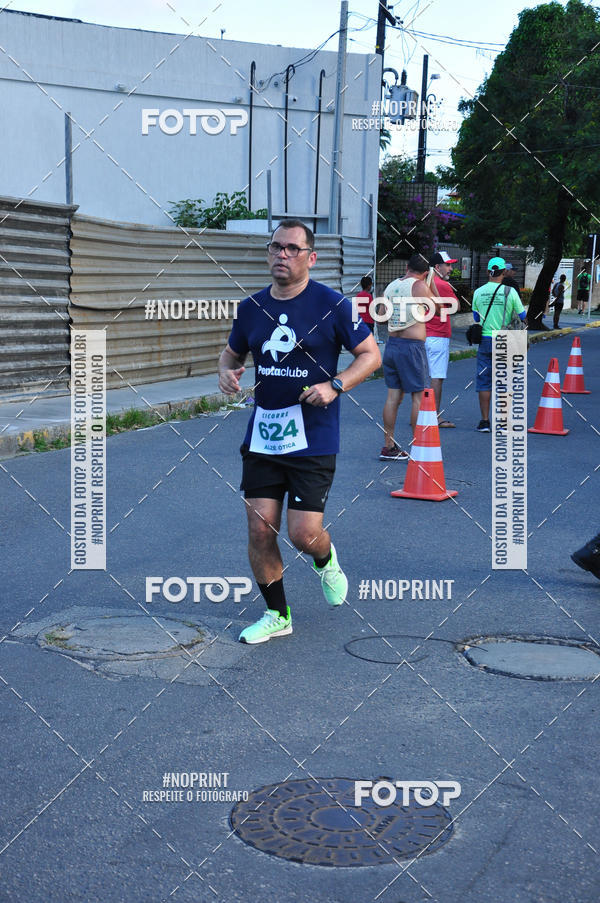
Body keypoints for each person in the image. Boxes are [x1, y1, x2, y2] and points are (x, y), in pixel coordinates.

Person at [218, 219, 380, 644]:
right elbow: (231, 354)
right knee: (259, 528)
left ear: (311, 256)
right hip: (264, 436)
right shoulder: (251, 308)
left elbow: (370, 355)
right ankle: (277, 615)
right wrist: (226, 374)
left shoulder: (334, 304)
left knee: (302, 533)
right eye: (276, 247)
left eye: (292, 248)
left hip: (314, 436)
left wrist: (336, 385)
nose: (282, 255)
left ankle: (325, 560)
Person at [379, 253, 432, 460]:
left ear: (407, 266)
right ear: (425, 273)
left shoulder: (391, 286)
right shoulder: (419, 286)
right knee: (418, 397)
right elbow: (436, 310)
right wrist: (430, 285)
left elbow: (382, 316)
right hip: (412, 347)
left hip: (392, 346)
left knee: (393, 397)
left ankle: (388, 446)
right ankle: (418, 446)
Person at [472, 257, 527, 432]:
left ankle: (484, 421)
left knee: (484, 381)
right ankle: (503, 423)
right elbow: (523, 315)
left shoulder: (478, 292)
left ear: (488, 272)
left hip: (485, 339)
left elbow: (475, 318)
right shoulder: (510, 292)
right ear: (504, 272)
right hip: (505, 339)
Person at [426, 251, 459, 428]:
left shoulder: (422, 283)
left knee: (424, 379)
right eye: (448, 265)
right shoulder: (442, 285)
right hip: (438, 335)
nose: (451, 268)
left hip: (422, 335)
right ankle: (434, 416)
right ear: (437, 267)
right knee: (437, 378)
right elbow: (457, 306)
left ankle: (418, 415)